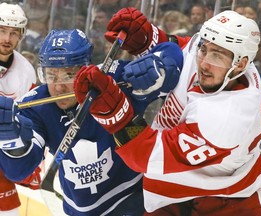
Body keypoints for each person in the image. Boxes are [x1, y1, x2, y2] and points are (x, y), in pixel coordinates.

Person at [75, 8, 261, 215]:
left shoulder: (227, 119)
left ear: (240, 64)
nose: (204, 63)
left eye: (217, 56)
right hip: (170, 196)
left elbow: (144, 154)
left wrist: (114, 112)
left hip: (227, 202)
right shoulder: (217, 61)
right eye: (204, 49)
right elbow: (182, 49)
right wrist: (147, 40)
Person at [0, 28, 183, 216]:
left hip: (133, 199)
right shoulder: (35, 105)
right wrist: (12, 142)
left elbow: (174, 53)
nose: (59, 87)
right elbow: (18, 171)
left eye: (68, 75)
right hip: (76, 209)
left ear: (85, 67)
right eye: (51, 76)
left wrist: (160, 67)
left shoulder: (113, 79)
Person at [0, 3, 38, 216]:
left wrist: (33, 159)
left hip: (2, 151)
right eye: (2, 31)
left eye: (14, 33)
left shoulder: (26, 72)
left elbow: (30, 117)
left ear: (21, 35)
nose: (7, 38)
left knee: (8, 212)